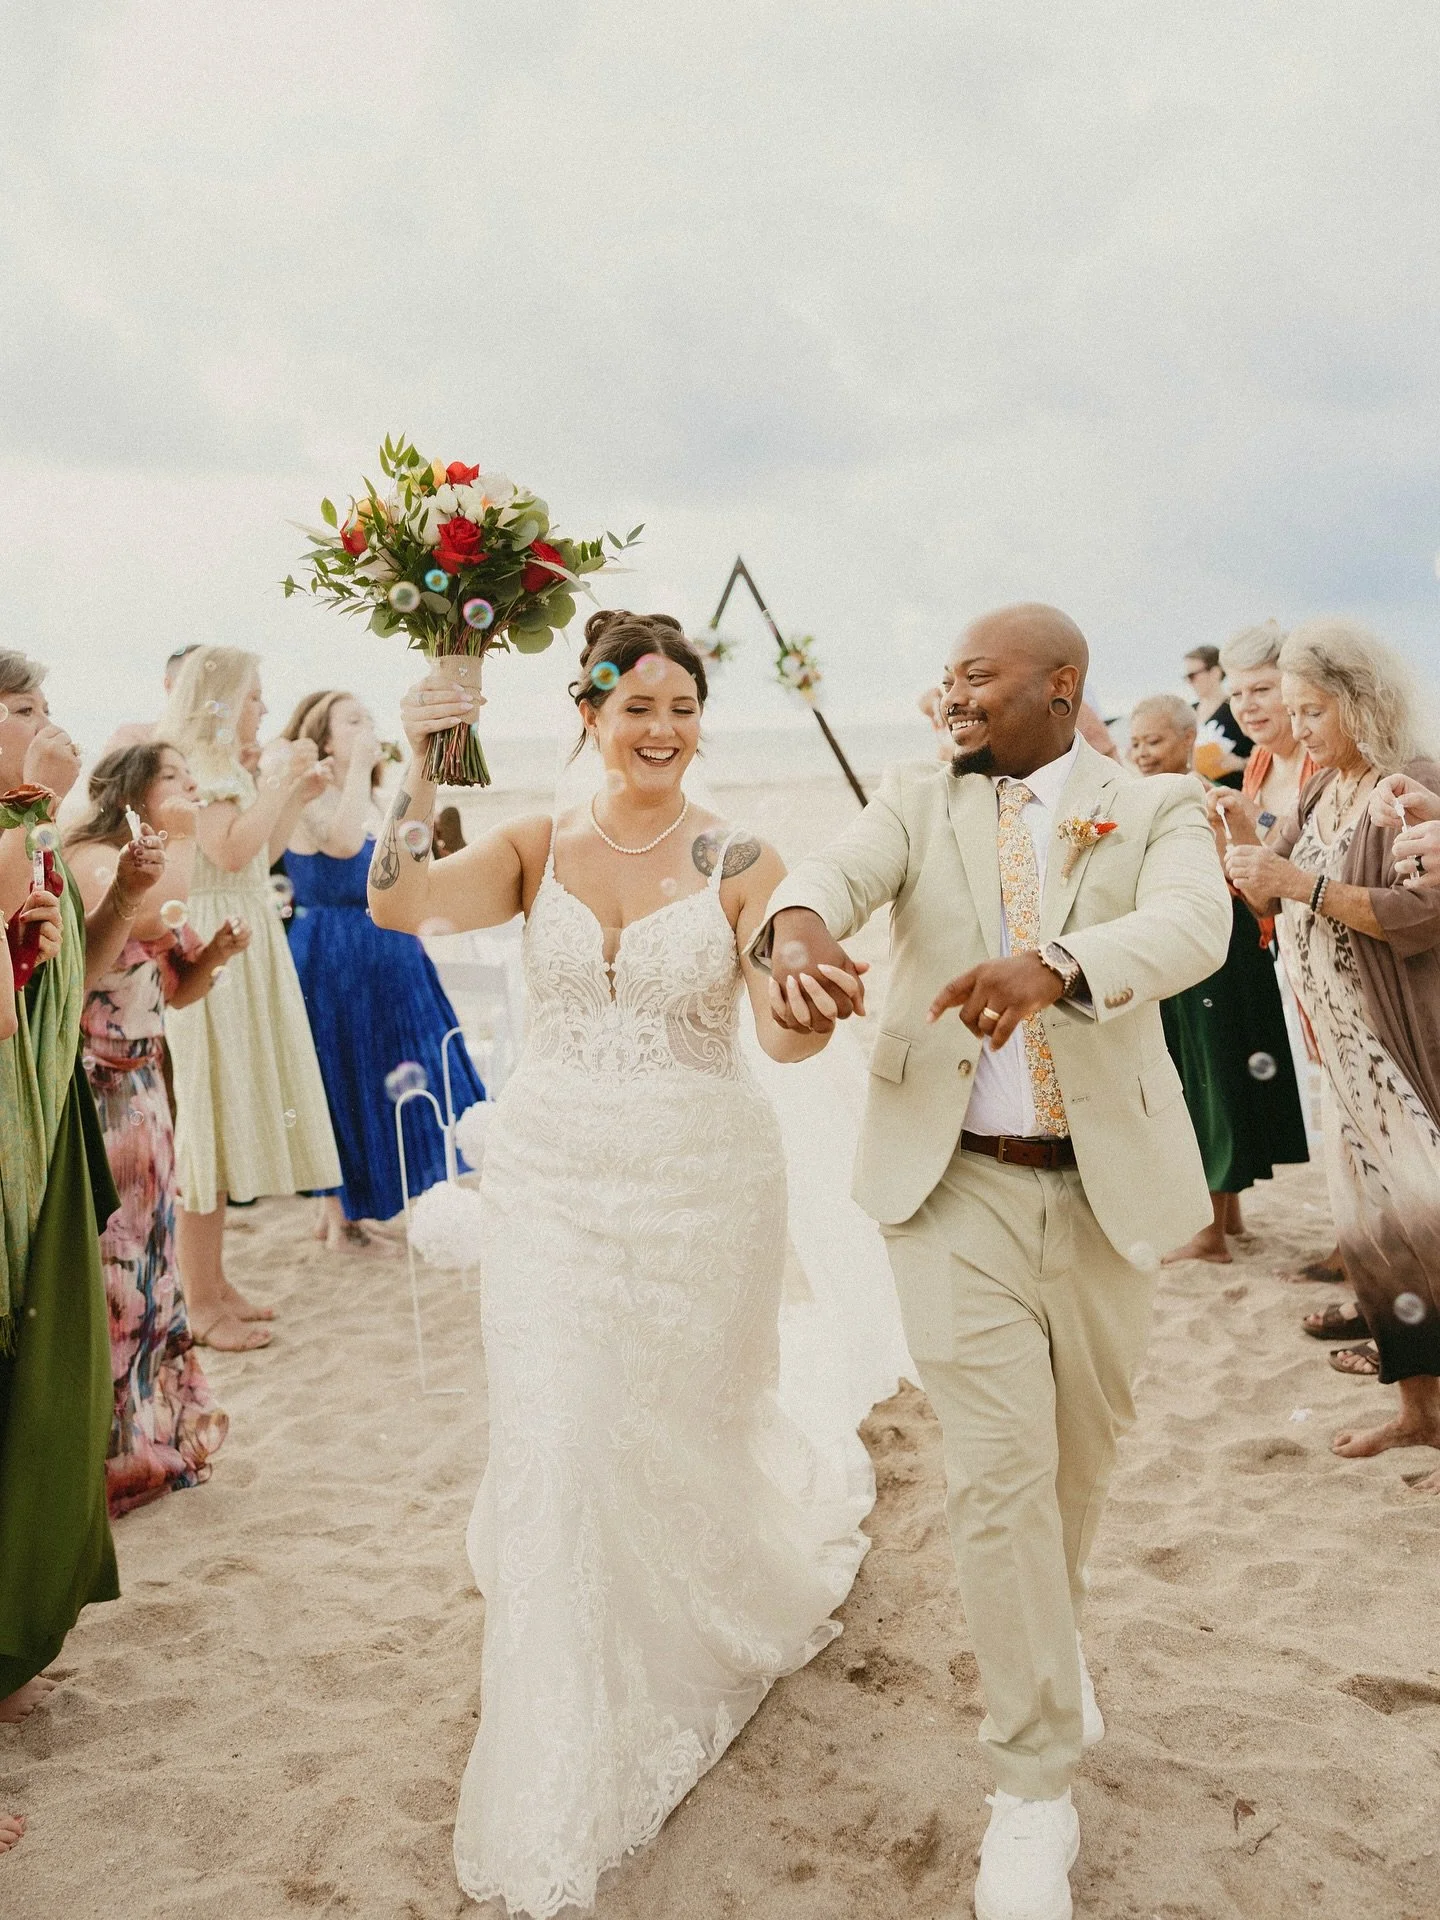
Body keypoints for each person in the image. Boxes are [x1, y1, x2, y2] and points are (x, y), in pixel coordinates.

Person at [371, 609, 876, 1915]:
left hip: (699, 1188)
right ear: (586, 716)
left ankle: (685, 1627)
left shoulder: (741, 855)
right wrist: (420, 770)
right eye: (636, 707)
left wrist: (803, 986)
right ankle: (558, 1712)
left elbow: (786, 1021)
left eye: (683, 709)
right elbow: (403, 900)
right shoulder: (536, 846)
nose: (662, 731)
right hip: (548, 1185)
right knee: (556, 1435)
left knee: (671, 1432)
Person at [760, 604, 1232, 1920]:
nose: (951, 694)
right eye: (949, 675)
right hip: (948, 1185)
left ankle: (1047, 1648)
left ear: (1056, 686)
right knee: (999, 1475)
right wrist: (794, 935)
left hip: (1104, 1196)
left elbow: (1201, 930)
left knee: (1076, 1467)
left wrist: (1060, 961)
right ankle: (1031, 1790)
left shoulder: (1154, 810)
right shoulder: (917, 800)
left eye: (978, 675)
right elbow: (824, 878)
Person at [1222, 619, 1440, 1488]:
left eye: (1316, 711)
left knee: (1432, 1230)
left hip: (1402, 1052)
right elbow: (1265, 889)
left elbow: (1422, 916)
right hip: (1340, 1057)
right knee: (1376, 1236)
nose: (1299, 727)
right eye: (1295, 710)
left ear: (1361, 700)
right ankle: (1419, 1412)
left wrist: (1300, 884)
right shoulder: (1322, 787)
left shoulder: (1412, 783)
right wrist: (1239, 830)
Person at [0, 648, 145, 1740]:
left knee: (56, 1392)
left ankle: (17, 1644)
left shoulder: (29, 839)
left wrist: (122, 903)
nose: (46, 726)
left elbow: (70, 988)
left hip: (44, 1132)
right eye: (21, 709)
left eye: (49, 705)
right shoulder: (22, 839)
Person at [66, 743, 240, 1513]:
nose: (193, 787)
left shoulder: (158, 869)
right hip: (99, 1086)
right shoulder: (92, 858)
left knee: (156, 1265)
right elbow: (96, 956)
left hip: (147, 1087)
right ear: (133, 788)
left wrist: (219, 952)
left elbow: (181, 989)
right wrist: (151, 883)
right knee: (120, 1271)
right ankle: (109, 1452)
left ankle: (153, 1435)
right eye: (175, 775)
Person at [159, 646, 341, 1349]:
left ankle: (216, 1282)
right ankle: (198, 1300)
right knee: (208, 1113)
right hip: (215, 943)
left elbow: (257, 854)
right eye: (255, 696)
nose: (265, 708)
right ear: (223, 700)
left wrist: (294, 795)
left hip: (244, 932)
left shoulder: (225, 769)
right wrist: (282, 782)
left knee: (230, 1109)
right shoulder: (197, 769)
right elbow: (231, 854)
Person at [280, 689, 483, 1246]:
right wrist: (361, 771)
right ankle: (337, 1209)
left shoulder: (371, 799)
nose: (367, 726)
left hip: (390, 950)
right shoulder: (310, 795)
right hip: (332, 953)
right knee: (342, 1072)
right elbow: (344, 847)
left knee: (402, 1063)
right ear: (322, 737)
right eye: (352, 720)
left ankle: (378, 1203)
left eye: (369, 715)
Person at [1126, 696, 1309, 1262]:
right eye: (1135, 742)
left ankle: (1207, 1233)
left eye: (1153, 741)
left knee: (1211, 1077)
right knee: (1212, 1073)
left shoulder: (1213, 801)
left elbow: (1253, 870)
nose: (1140, 753)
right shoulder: (1151, 798)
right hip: (1203, 949)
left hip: (1215, 950)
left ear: (1188, 741)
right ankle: (1227, 1219)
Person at [102, 644, 202, 756]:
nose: (205, 689)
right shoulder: (134, 739)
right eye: (192, 680)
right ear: (168, 684)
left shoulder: (222, 748)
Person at [1181, 642, 1249, 780]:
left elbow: (1270, 755)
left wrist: (1240, 764)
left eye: (1193, 675)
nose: (1190, 682)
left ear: (1215, 672)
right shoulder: (1188, 710)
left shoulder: (1237, 708)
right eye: (1186, 677)